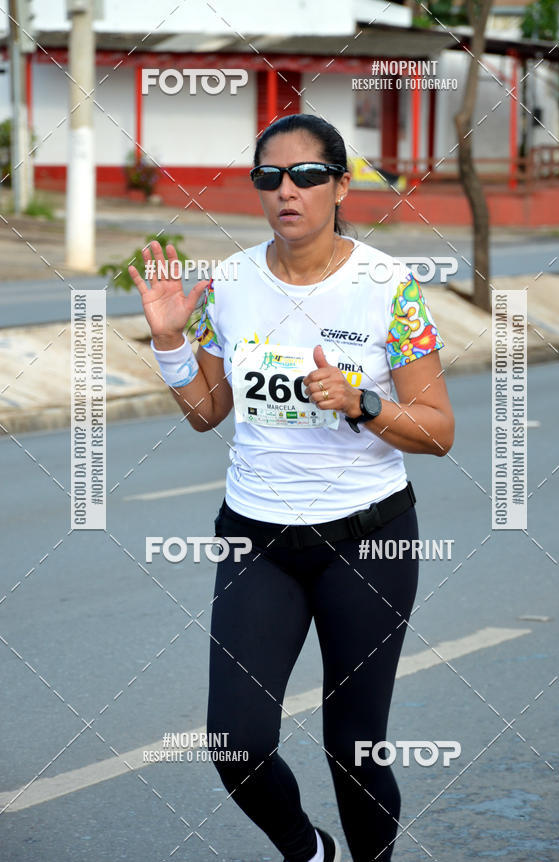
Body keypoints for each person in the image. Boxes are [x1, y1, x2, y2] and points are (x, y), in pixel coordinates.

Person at [130, 113, 454, 862]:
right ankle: (311, 852)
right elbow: (207, 414)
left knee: (355, 749)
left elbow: (438, 430)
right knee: (236, 744)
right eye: (269, 176)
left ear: (342, 185)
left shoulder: (389, 289)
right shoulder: (230, 283)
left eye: (308, 175)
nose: (288, 190)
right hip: (258, 539)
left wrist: (361, 402)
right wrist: (173, 342)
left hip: (366, 539)